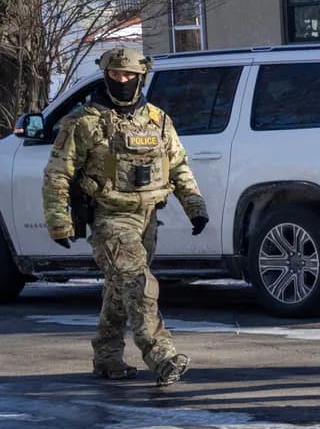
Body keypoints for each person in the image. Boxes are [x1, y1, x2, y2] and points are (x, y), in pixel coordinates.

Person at [41, 47, 207, 386]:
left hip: (147, 217)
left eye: (129, 75)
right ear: (106, 76)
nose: (122, 80)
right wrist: (59, 221)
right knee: (139, 285)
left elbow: (177, 166)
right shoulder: (83, 122)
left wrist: (195, 206)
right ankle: (162, 356)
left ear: (140, 76)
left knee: (121, 289)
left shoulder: (158, 120)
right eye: (116, 75)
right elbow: (57, 174)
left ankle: (106, 355)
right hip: (109, 217)